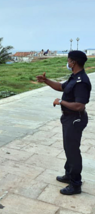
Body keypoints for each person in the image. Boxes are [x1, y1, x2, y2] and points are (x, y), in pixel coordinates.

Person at [37, 50, 91, 195]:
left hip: (75, 119)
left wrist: (61, 101)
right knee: (69, 148)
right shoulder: (74, 77)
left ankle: (75, 184)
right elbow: (61, 87)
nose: (67, 63)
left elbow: (80, 105)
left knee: (73, 151)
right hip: (69, 118)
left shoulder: (82, 81)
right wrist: (46, 81)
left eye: (68, 61)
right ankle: (69, 174)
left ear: (73, 62)